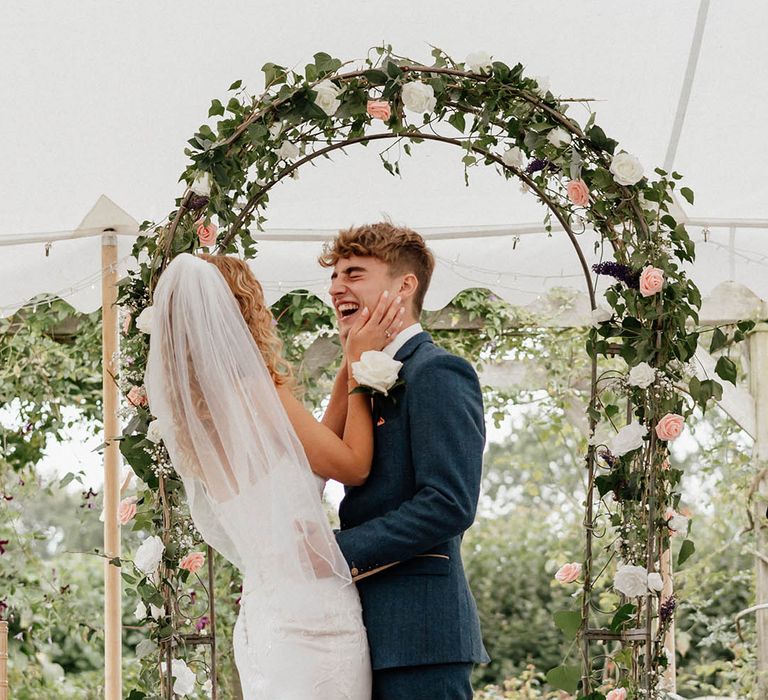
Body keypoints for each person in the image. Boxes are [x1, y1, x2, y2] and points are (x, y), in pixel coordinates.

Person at [144, 252, 403, 700]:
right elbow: (353, 466)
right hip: (316, 622)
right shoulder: (252, 389)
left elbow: (311, 454)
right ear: (242, 310)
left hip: (265, 623)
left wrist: (349, 360)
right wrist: (363, 375)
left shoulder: (198, 421)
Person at [319, 222, 490, 700]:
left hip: (421, 636)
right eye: (334, 277)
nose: (336, 288)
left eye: (353, 274)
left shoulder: (438, 372)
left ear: (404, 284)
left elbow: (449, 504)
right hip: (358, 632)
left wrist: (334, 552)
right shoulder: (359, 372)